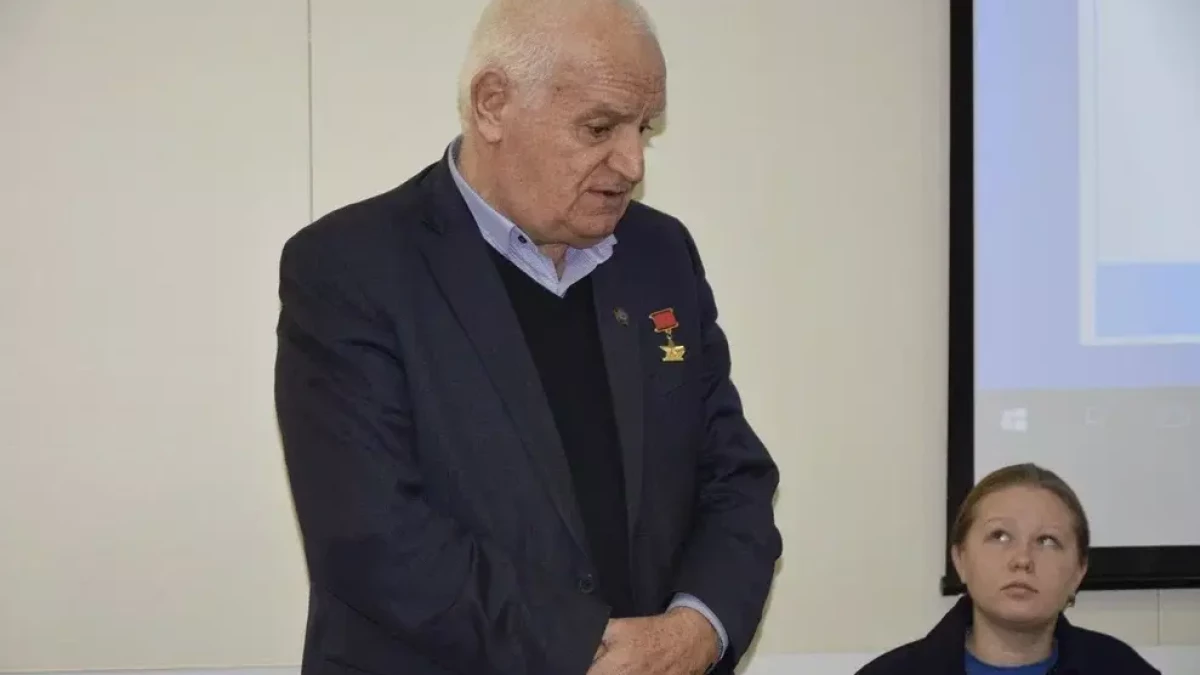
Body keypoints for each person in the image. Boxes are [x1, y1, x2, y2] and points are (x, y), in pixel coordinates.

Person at [272, 1, 781, 674]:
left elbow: (734, 476)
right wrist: (588, 649)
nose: (632, 162)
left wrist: (696, 631)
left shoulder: (660, 254)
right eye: (599, 127)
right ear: (492, 105)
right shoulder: (351, 267)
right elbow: (372, 537)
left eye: (643, 128)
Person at [855, 463, 1160, 675]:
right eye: (999, 536)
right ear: (960, 559)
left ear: (1078, 572)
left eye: (1047, 541)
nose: (1022, 559)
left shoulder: (1123, 670)